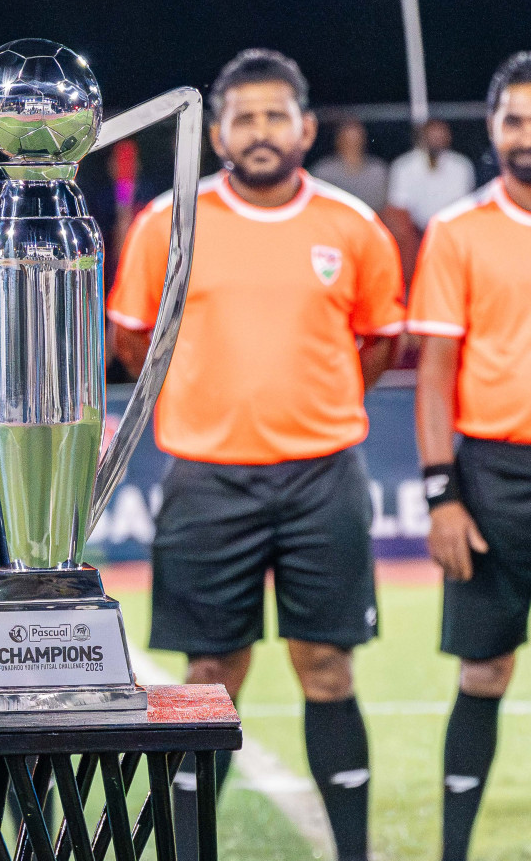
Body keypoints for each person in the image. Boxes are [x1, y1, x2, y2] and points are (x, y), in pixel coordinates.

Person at [108, 49, 404, 861]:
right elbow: (135, 340)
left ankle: (352, 851)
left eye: (278, 115)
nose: (262, 130)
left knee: (327, 668)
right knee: (210, 677)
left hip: (323, 479)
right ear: (218, 131)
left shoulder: (354, 227)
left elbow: (377, 343)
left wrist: (311, 402)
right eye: (245, 116)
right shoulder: (169, 222)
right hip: (208, 480)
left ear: (307, 127)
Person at [408, 52, 531, 861]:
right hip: (494, 479)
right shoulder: (458, 231)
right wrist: (441, 494)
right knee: (484, 673)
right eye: (515, 118)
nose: (528, 134)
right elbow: (435, 377)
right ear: (492, 128)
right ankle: (455, 851)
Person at [384, 118, 475, 278]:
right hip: (415, 235)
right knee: (399, 227)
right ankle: (407, 287)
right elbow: (399, 208)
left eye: (440, 136)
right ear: (422, 138)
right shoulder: (403, 166)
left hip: (450, 232)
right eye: (432, 136)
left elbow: (463, 207)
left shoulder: (461, 166)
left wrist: (441, 232)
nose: (436, 141)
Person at [312, 117, 389, 213]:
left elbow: (385, 207)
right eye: (347, 139)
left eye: (356, 139)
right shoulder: (324, 171)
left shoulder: (377, 170)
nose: (352, 143)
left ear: (364, 140)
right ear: (338, 141)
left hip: (370, 222)